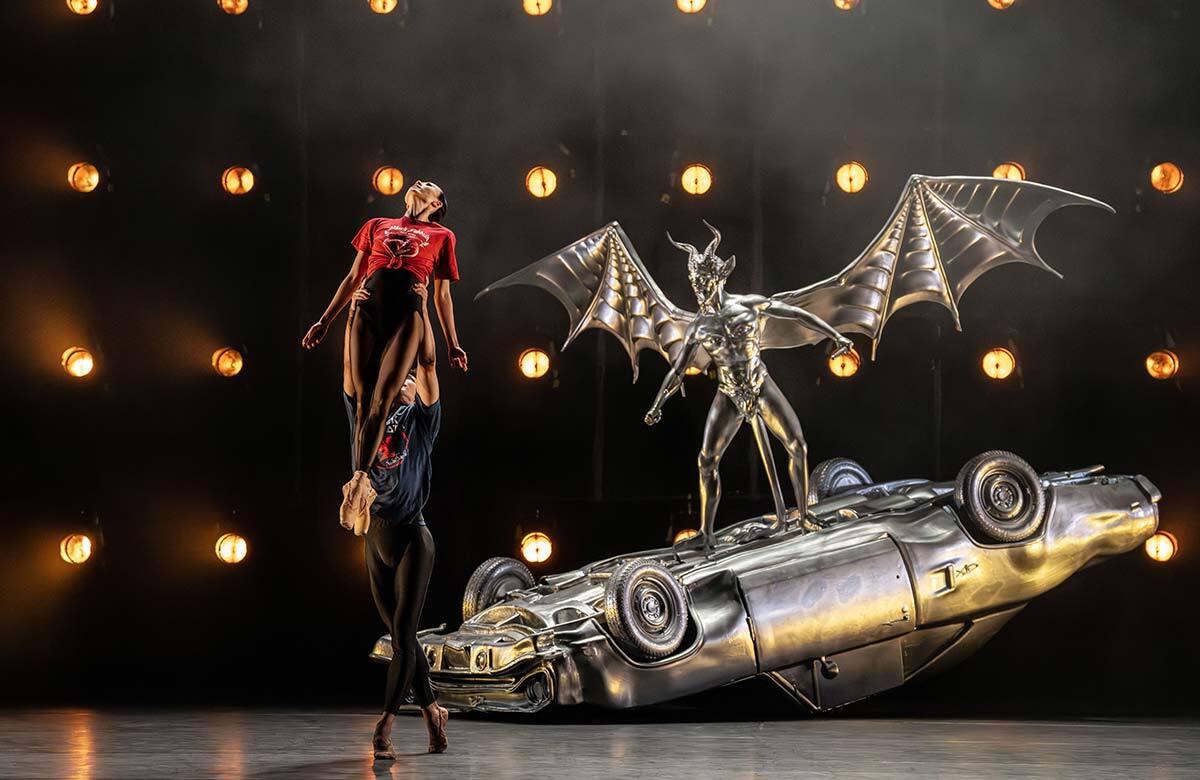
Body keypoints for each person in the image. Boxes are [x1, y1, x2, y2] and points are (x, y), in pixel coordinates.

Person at [301, 180, 467, 534]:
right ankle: (358, 483)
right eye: (419, 182)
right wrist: (324, 320)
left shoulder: (442, 236)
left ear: (437, 204)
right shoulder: (377, 225)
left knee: (383, 398)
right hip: (368, 308)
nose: (420, 183)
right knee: (362, 401)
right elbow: (352, 276)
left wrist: (453, 342)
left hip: (408, 311)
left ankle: (361, 481)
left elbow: (443, 297)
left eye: (431, 186)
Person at [345, 281, 449, 758]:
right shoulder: (369, 413)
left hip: (412, 537)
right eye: (398, 375)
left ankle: (384, 727)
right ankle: (432, 711)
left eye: (409, 377)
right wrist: (352, 317)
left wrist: (420, 305)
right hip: (375, 538)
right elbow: (351, 374)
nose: (404, 378)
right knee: (400, 639)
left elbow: (427, 363)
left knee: (404, 638)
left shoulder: (423, 423)